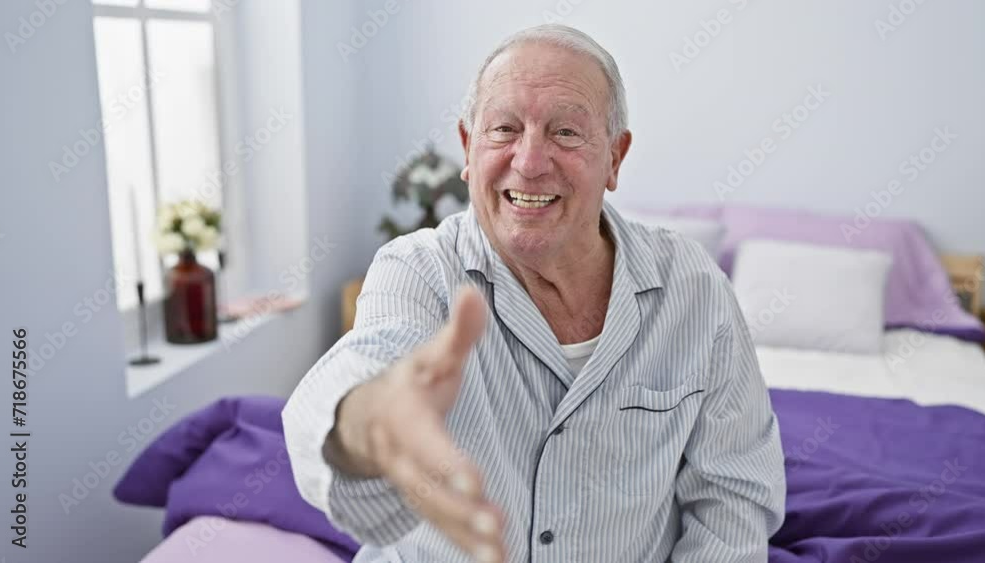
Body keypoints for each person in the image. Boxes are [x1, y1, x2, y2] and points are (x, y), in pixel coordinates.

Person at [283, 24, 785, 563]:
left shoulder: (695, 291)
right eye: (503, 129)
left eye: (566, 132)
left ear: (615, 157)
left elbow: (734, 500)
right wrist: (374, 419)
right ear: (467, 148)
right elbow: (365, 365)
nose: (529, 161)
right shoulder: (419, 269)